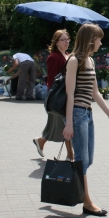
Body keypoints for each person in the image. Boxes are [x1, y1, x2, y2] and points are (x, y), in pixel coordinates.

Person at [63, 23, 109, 217]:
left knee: (87, 159)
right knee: (82, 160)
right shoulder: (74, 60)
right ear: (90, 39)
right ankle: (87, 202)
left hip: (88, 114)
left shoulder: (90, 60)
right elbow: (70, 94)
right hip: (78, 114)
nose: (101, 42)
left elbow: (95, 93)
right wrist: (69, 124)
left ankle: (77, 191)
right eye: (99, 38)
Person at [32, 30, 74, 160]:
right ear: (56, 42)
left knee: (58, 125)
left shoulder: (68, 55)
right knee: (64, 124)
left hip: (67, 94)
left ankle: (41, 141)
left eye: (68, 39)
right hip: (58, 96)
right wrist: (53, 97)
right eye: (63, 39)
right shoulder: (53, 57)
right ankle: (70, 155)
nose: (67, 42)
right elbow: (52, 80)